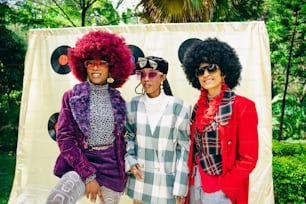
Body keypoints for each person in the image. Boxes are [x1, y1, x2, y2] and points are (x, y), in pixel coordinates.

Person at [46, 31, 134, 204]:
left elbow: (125, 140)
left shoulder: (119, 101)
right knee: (56, 200)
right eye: (90, 63)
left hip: (111, 168)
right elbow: (65, 138)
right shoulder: (71, 97)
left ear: (111, 67)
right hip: (81, 163)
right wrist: (88, 175)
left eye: (102, 63)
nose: (95, 67)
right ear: (83, 66)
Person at [181, 38, 259, 204]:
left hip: (221, 188)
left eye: (211, 68)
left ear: (224, 71)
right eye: (200, 71)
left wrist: (228, 185)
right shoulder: (198, 108)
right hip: (195, 183)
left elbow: (249, 157)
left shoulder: (243, 106)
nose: (206, 74)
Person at [124, 56, 191, 204]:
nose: (146, 79)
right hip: (141, 180)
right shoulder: (132, 105)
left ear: (163, 77)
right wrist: (130, 161)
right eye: (142, 74)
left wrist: (181, 185)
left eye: (152, 74)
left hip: (167, 184)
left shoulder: (179, 107)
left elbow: (185, 149)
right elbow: (128, 136)